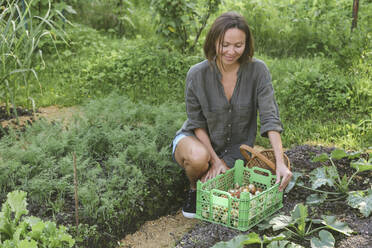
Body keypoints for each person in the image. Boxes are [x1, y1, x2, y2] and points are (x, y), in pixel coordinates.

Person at [171, 11, 293, 219]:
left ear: (247, 44)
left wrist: (280, 163)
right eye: (224, 45)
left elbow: (270, 119)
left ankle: (206, 180)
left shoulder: (258, 71)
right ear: (213, 42)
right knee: (200, 159)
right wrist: (215, 160)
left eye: (238, 45)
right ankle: (193, 190)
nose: (231, 51)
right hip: (196, 139)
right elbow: (197, 122)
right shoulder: (197, 74)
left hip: (235, 149)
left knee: (226, 193)